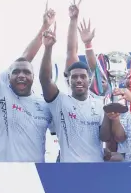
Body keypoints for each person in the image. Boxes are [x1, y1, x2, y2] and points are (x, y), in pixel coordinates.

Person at [0, 5, 56, 162]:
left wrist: (45, 27)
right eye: (16, 72)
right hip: (0, 173)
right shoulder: (0, 93)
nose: (21, 75)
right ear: (8, 76)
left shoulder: (45, 105)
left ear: (33, 77)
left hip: (35, 176)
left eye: (26, 72)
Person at [40, 24, 106, 163]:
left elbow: (106, 137)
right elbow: (45, 80)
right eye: (74, 77)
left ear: (89, 79)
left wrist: (88, 44)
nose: (79, 80)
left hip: (97, 168)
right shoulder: (60, 102)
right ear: (68, 81)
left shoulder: (99, 104)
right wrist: (48, 48)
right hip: (68, 170)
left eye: (82, 76)